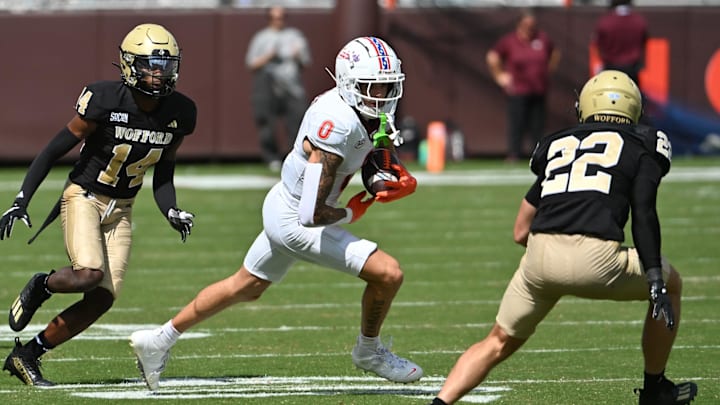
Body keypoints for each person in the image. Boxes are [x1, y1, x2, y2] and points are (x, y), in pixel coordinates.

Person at [129, 36, 421, 391]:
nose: (383, 94)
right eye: (373, 86)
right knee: (388, 274)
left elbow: (371, 147)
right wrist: (352, 211)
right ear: (349, 83)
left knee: (246, 286)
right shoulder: (337, 122)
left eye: (388, 85)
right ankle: (369, 351)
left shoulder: (359, 107)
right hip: (297, 219)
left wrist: (381, 176)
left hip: (284, 203)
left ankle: (158, 340)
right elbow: (312, 215)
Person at [429, 70, 698, 405]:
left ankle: (438, 403)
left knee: (496, 342)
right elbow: (643, 212)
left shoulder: (559, 144)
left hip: (539, 259)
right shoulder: (643, 142)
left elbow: (519, 230)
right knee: (673, 286)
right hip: (598, 259)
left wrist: (555, 256)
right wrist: (654, 276)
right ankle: (655, 388)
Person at [0, 23, 196, 386]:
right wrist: (21, 199)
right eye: (150, 64)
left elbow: (164, 171)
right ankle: (42, 285)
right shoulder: (105, 99)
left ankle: (27, 354)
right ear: (128, 65)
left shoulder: (180, 112)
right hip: (85, 198)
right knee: (88, 274)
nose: (159, 73)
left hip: (123, 209)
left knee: (102, 297)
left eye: (165, 65)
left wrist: (171, 209)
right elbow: (54, 149)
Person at [486, 9, 561, 162]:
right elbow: (492, 57)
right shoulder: (510, 41)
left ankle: (538, 154)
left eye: (532, 24)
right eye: (526, 24)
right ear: (519, 24)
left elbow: (555, 53)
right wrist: (500, 76)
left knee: (538, 125)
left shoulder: (542, 39)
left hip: (539, 88)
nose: (530, 27)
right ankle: (514, 154)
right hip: (519, 89)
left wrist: (548, 70)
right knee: (517, 122)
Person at [246, 5, 312, 172]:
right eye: (275, 18)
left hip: (292, 86)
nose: (279, 21)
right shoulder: (261, 38)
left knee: (297, 124)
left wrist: (298, 56)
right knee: (267, 124)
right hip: (269, 85)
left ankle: (295, 157)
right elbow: (251, 63)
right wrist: (269, 56)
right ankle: (272, 158)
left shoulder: (295, 36)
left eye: (281, 17)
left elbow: (306, 61)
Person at [593, 0, 648, 85]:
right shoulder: (639, 21)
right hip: (631, 72)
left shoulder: (605, 22)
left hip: (610, 71)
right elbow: (643, 43)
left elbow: (597, 45)